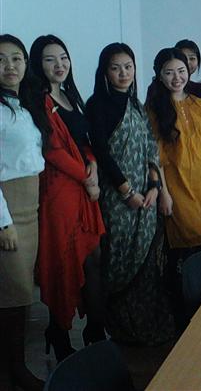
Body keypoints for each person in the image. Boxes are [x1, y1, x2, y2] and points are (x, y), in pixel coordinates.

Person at [85, 43, 175, 346]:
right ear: (105, 72)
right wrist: (127, 192)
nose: (123, 73)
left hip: (146, 197)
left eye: (128, 67)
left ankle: (146, 325)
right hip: (117, 200)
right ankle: (120, 328)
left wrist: (154, 186)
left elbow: (150, 146)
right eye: (116, 68)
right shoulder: (97, 105)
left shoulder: (136, 104)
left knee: (147, 262)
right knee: (119, 259)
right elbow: (102, 153)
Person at [28, 35, 105, 361]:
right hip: (60, 192)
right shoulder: (38, 100)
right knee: (64, 261)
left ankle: (95, 330)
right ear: (37, 64)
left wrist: (93, 166)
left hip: (84, 188)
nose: (59, 64)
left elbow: (83, 140)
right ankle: (60, 331)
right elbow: (53, 150)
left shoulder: (70, 95)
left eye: (63, 57)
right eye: (50, 59)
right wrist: (87, 177)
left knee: (93, 256)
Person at [144, 48, 201, 297]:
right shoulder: (154, 109)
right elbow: (155, 157)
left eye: (181, 71)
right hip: (176, 186)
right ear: (159, 75)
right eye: (169, 72)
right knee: (182, 250)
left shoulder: (200, 104)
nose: (177, 77)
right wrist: (164, 194)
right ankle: (182, 304)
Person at [0, 34, 49, 391]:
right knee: (14, 292)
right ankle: (14, 370)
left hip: (30, 207)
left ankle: (13, 364)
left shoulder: (25, 104)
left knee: (18, 293)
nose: (10, 66)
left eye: (16, 58)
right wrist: (3, 222)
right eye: (1, 60)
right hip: (8, 208)